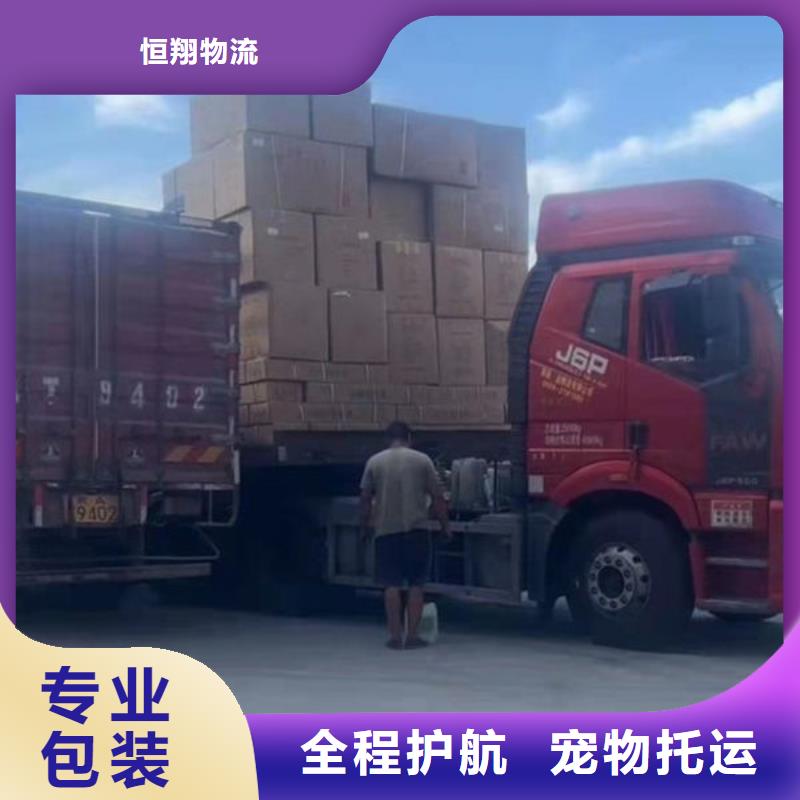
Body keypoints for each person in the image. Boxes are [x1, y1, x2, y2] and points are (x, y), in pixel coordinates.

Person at [360, 421, 450, 650]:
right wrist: (445, 526)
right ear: (410, 438)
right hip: (417, 530)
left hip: (386, 531)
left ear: (387, 439)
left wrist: (364, 526)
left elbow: (365, 498)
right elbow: (438, 497)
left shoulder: (374, 461)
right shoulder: (422, 460)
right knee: (416, 585)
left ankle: (394, 636)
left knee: (391, 584)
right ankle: (412, 637)